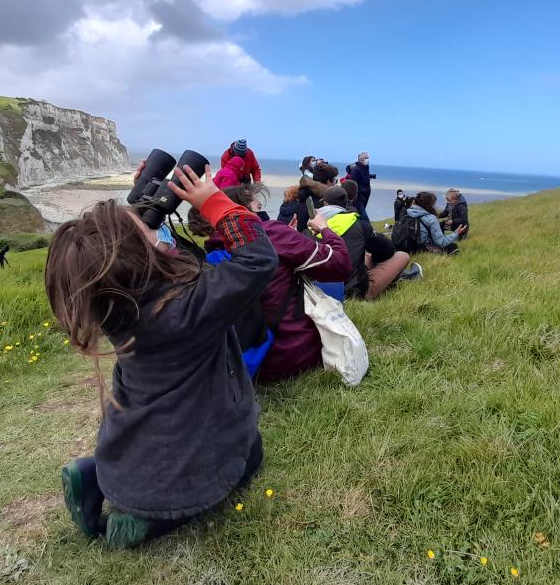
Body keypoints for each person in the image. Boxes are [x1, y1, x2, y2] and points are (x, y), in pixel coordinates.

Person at [46, 164, 279, 549]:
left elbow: (174, 264)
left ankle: (94, 475)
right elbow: (257, 259)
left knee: (247, 449)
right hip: (172, 477)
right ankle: (133, 526)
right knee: (249, 458)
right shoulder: (187, 310)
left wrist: (145, 206)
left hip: (129, 454)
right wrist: (215, 203)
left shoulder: (117, 305)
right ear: (143, 256)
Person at [222, 183, 352, 381]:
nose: (262, 214)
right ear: (244, 211)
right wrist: (324, 228)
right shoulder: (271, 233)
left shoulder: (213, 243)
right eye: (258, 208)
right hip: (286, 358)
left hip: (239, 359)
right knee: (331, 283)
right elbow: (341, 265)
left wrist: (293, 239)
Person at [318, 186, 420, 300]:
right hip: (353, 293)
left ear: (325, 204)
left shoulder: (311, 227)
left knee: (364, 257)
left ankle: (392, 276)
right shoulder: (357, 224)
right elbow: (387, 250)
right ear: (346, 202)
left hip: (316, 290)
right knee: (402, 256)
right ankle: (396, 277)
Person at [296, 162, 339, 232]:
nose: (336, 184)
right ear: (328, 181)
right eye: (335, 180)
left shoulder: (306, 195)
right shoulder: (321, 204)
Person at [345, 153, 374, 220]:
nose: (368, 159)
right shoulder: (356, 170)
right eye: (366, 158)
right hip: (359, 197)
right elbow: (354, 184)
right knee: (363, 216)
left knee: (360, 215)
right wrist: (358, 194)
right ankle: (369, 229)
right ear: (361, 159)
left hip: (364, 195)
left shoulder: (365, 167)